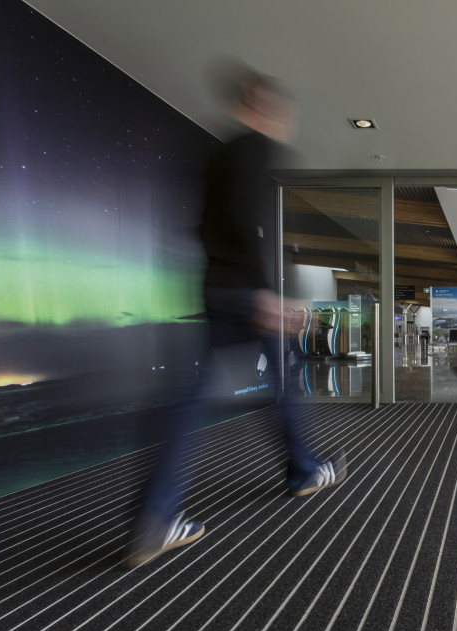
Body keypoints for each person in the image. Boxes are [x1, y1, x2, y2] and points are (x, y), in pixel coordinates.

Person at [125, 63, 346, 568]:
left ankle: (156, 517)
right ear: (261, 104)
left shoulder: (218, 155)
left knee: (192, 398)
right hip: (246, 292)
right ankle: (304, 471)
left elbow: (204, 230)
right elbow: (248, 225)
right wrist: (266, 295)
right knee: (285, 381)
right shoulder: (252, 149)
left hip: (218, 288)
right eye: (282, 111)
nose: (287, 122)